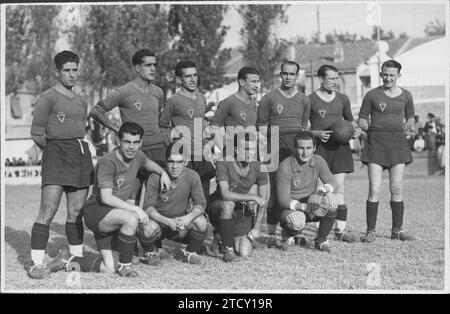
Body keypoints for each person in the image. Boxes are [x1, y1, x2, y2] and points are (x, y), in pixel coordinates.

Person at [28, 51, 94, 279]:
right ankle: (36, 263)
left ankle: (75, 257)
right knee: (48, 210)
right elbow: (36, 133)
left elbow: (80, 130)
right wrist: (55, 150)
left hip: (79, 155)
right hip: (55, 154)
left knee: (76, 211)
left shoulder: (81, 100)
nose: (72, 74)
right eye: (67, 70)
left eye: (75, 70)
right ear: (57, 72)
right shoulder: (47, 97)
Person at [80, 122, 170, 277]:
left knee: (109, 268)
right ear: (118, 141)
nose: (131, 147)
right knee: (131, 217)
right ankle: (125, 267)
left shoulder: (138, 155)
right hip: (97, 212)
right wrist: (136, 209)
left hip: (114, 215)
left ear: (141, 143)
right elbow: (106, 197)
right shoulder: (107, 162)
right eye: (127, 142)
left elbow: (149, 164)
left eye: (136, 143)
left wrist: (163, 173)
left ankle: (68, 261)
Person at [89, 49, 166, 203]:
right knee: (131, 197)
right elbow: (96, 111)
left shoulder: (159, 92)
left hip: (158, 149)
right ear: (137, 68)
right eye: (148, 65)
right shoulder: (124, 92)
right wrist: (118, 129)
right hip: (134, 150)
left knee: (160, 196)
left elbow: (159, 118)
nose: (153, 69)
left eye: (155, 65)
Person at [358, 59, 415, 242]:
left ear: (398, 75)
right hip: (376, 144)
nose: (388, 78)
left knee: (396, 188)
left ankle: (397, 230)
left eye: (392, 75)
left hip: (398, 145)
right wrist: (374, 132)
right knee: (374, 189)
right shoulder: (372, 95)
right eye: (385, 74)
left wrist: (399, 133)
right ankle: (370, 231)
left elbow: (411, 119)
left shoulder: (406, 95)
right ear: (381, 74)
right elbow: (362, 120)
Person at [257, 61, 310, 248]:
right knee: (272, 194)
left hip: (294, 151)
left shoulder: (304, 99)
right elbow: (262, 130)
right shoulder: (269, 98)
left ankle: (293, 232)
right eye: (285, 73)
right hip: (274, 148)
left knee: (295, 191)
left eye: (292, 74)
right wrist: (267, 150)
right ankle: (272, 235)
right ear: (280, 75)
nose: (288, 77)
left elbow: (303, 129)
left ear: (297, 76)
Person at [207, 66, 261, 253]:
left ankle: (242, 233)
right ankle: (220, 234)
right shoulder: (228, 102)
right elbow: (213, 128)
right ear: (241, 82)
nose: (257, 85)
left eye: (257, 81)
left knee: (252, 200)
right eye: (253, 81)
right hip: (231, 164)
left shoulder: (254, 104)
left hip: (249, 159)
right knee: (225, 198)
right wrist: (226, 152)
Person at [308, 64, 361, 243]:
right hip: (320, 150)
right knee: (321, 191)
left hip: (341, 149)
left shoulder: (343, 99)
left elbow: (351, 122)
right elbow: (301, 127)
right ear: (321, 79)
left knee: (339, 189)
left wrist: (357, 130)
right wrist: (314, 133)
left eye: (337, 78)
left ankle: (340, 230)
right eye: (331, 78)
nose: (335, 82)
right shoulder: (310, 100)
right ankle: (319, 231)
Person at [137, 141, 208, 265]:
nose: (174, 166)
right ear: (165, 161)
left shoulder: (193, 176)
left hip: (180, 225)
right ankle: (151, 252)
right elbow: (148, 208)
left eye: (179, 161)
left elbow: (200, 204)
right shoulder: (155, 177)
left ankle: (190, 253)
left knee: (201, 221)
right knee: (147, 228)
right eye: (171, 161)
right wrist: (167, 221)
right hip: (160, 224)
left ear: (186, 162)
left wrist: (188, 217)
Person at [207, 133, 268, 262]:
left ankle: (219, 236)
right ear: (236, 149)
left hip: (241, 209)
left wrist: (257, 227)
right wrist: (252, 197)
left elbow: (263, 200)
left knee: (244, 252)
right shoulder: (223, 162)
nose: (250, 152)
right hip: (219, 207)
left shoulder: (260, 166)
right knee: (228, 204)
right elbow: (225, 194)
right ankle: (227, 249)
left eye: (252, 149)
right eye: (246, 149)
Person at [159, 61, 215, 201]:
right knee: (183, 198)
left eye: (195, 75)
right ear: (179, 79)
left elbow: (202, 124)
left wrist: (207, 144)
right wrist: (173, 149)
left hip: (201, 155)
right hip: (184, 156)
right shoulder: (173, 101)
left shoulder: (202, 98)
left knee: (203, 198)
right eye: (188, 76)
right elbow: (162, 127)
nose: (193, 79)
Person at [276, 131, 338, 252]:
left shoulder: (318, 160)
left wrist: (319, 192)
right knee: (297, 221)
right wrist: (306, 207)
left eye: (309, 148)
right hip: (290, 209)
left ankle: (320, 240)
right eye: (301, 148)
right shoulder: (285, 166)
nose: (305, 152)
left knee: (332, 200)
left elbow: (333, 182)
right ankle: (288, 235)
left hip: (310, 205)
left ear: (314, 148)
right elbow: (283, 201)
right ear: (295, 148)